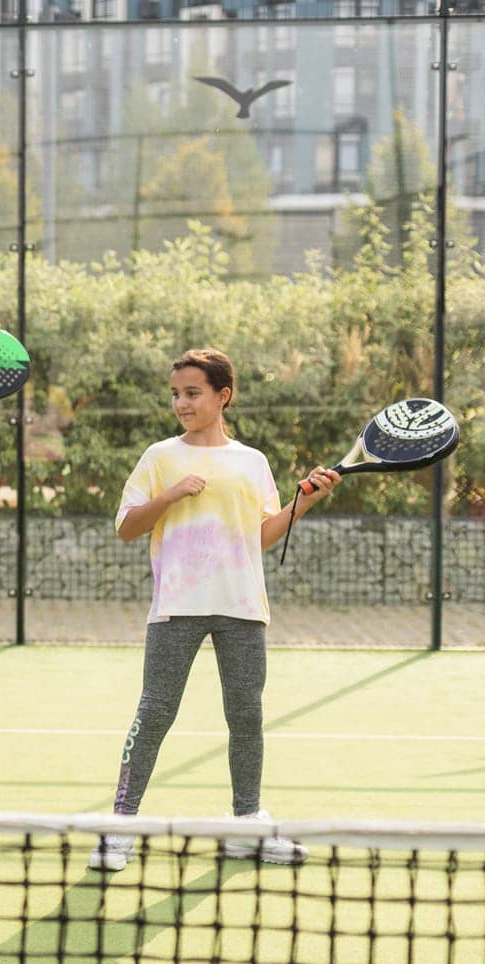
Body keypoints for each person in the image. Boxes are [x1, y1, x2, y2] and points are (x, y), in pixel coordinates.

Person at [89, 348, 340, 871]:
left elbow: (262, 535)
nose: (181, 403)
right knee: (155, 711)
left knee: (246, 715)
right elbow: (127, 526)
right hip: (178, 607)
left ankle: (247, 823)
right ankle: (120, 825)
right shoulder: (160, 458)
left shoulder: (252, 462)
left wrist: (305, 501)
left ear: (223, 396)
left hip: (242, 606)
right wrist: (172, 494)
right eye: (176, 394)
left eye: (193, 393)